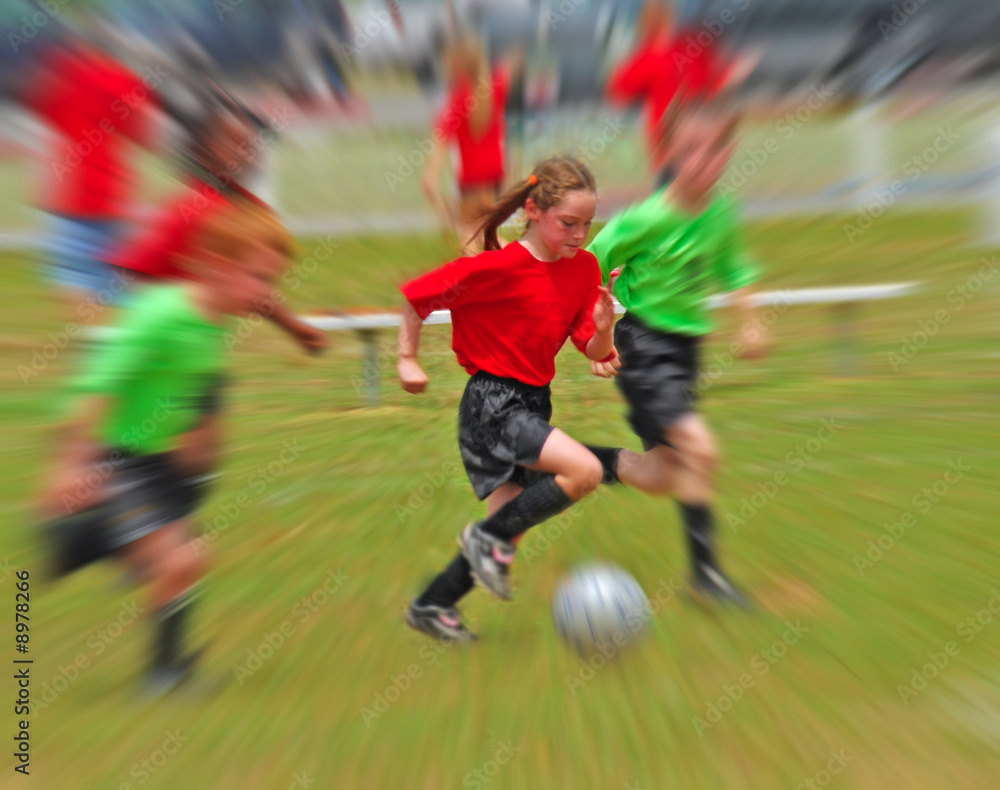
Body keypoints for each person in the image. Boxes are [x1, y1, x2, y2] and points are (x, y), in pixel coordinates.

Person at [42, 199, 294, 695]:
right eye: (259, 278)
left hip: (157, 464)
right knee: (179, 560)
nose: (267, 294)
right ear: (218, 267)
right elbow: (98, 383)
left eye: (272, 281)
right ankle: (163, 671)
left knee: (190, 558)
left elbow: (199, 382)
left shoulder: (214, 321)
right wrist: (71, 465)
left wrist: (200, 442)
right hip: (117, 460)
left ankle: (166, 658)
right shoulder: (159, 314)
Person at [398, 157, 620, 642]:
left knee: (507, 531)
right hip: (492, 404)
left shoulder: (585, 269)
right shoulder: (496, 267)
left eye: (587, 223)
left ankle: (433, 604)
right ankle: (485, 541)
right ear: (534, 211)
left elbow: (593, 350)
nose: (580, 235)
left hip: (534, 402)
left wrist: (605, 330)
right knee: (584, 471)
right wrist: (406, 359)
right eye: (568, 224)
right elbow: (416, 297)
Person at [585, 107, 770, 605]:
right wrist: (590, 324)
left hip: (686, 356)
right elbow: (587, 265)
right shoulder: (644, 219)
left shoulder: (721, 215)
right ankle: (705, 579)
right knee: (702, 452)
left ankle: (553, 460)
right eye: (689, 150)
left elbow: (738, 273)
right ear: (667, 154)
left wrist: (751, 323)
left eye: (713, 149)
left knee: (665, 474)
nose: (701, 161)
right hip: (644, 348)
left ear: (728, 154)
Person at [109, 89, 327, 355]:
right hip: (168, 345)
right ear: (200, 152)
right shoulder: (188, 210)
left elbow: (252, 285)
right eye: (231, 145)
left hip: (205, 346)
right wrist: (164, 319)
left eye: (250, 146)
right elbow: (136, 272)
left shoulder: (249, 211)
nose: (244, 155)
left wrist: (294, 327)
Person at [606, 0, 743, 187]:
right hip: (671, 138)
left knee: (693, 190)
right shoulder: (650, 56)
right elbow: (619, 93)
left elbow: (715, 82)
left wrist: (732, 77)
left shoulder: (691, 46)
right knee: (674, 190)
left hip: (695, 133)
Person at [421, 36, 515, 256]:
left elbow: (442, 140)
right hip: (495, 174)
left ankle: (486, 278)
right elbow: (509, 66)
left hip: (472, 177)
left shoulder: (458, 99)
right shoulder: (495, 87)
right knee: (486, 233)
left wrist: (431, 175)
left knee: (469, 233)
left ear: (456, 64)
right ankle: (517, 266)